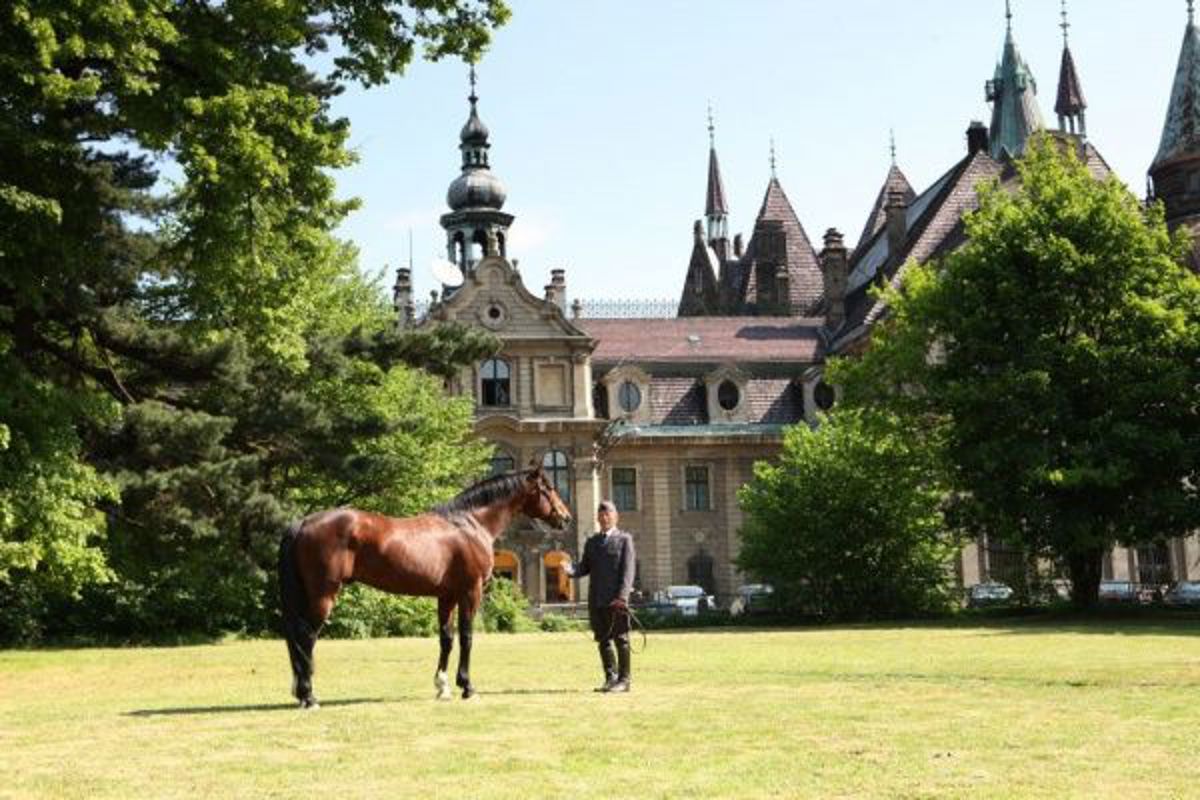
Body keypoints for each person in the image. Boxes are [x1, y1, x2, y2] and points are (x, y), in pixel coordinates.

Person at [564, 500, 636, 693]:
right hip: (596, 600)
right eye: (601, 515)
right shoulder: (592, 542)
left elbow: (628, 572)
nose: (604, 518)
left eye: (608, 514)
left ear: (615, 516)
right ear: (597, 518)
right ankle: (610, 678)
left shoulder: (624, 540)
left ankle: (624, 680)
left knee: (621, 639)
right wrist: (570, 570)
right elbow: (584, 567)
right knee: (603, 641)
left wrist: (622, 597)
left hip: (616, 600)